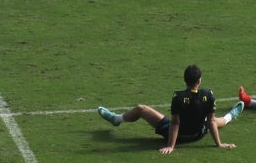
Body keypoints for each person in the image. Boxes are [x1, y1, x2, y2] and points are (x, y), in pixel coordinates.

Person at [97, 64, 241, 152]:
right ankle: (230, 116)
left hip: (178, 135)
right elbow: (211, 122)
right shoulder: (208, 95)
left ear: (185, 80)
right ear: (199, 80)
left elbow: (175, 123)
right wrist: (220, 144)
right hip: (198, 134)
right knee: (209, 119)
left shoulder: (178, 97)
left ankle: (116, 119)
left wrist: (171, 146)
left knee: (141, 109)